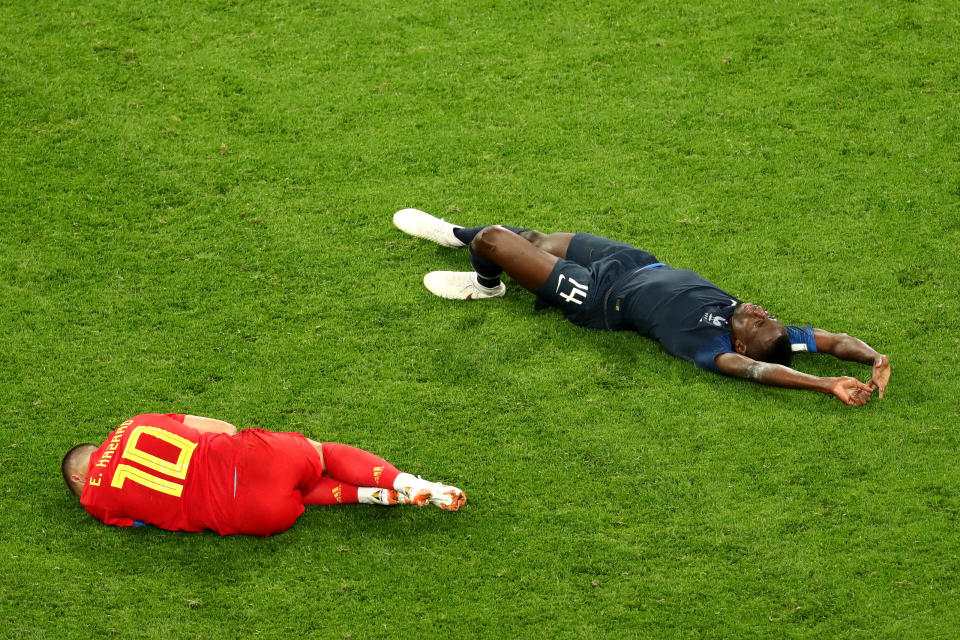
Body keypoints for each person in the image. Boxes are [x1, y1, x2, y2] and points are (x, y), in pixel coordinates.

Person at [393, 208, 890, 407]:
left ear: (739, 343)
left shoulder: (714, 347)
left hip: (599, 298)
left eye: (757, 321)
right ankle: (460, 238)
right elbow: (831, 340)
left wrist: (824, 384)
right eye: (766, 314)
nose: (759, 310)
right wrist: (872, 359)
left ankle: (486, 285)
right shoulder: (777, 334)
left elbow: (756, 371)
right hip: (633, 262)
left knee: (498, 240)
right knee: (534, 238)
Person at [62, 413, 466, 536]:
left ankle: (365, 496)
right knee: (320, 455)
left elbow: (140, 521)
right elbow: (224, 429)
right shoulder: (137, 422)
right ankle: (406, 483)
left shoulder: (93, 501)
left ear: (79, 478)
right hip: (252, 459)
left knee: (293, 494)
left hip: (250, 515)